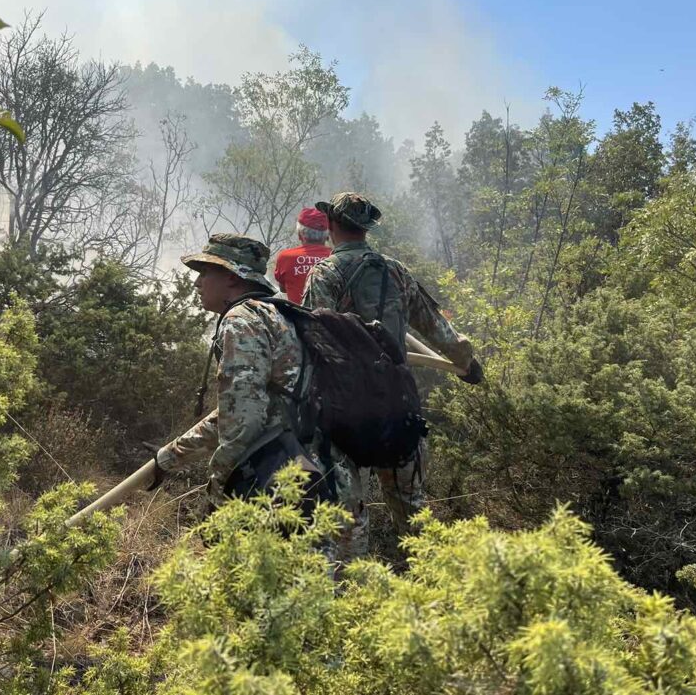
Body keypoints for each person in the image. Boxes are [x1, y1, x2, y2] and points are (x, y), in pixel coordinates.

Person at [302, 192, 484, 558]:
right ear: (366, 230)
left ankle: (352, 596)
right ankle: (438, 588)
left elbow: (313, 338)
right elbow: (437, 327)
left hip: (344, 412)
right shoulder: (396, 271)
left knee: (347, 521)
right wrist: (468, 363)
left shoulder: (325, 274)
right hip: (399, 405)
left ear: (333, 226)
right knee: (413, 514)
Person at [153, 233, 326, 510]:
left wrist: (218, 492)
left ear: (232, 277)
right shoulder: (277, 314)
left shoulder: (240, 322)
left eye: (206, 272)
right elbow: (237, 409)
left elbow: (242, 423)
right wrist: (168, 457)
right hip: (308, 468)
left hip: (272, 477)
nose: (197, 283)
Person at [273, 207, 332, 303]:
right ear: (327, 236)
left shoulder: (285, 257)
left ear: (300, 234)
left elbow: (283, 289)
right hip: (332, 317)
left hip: (296, 317)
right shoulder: (337, 256)